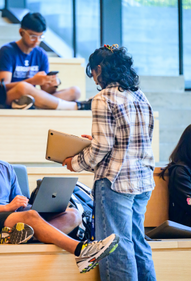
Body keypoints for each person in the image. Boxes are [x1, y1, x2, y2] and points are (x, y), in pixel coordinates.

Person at [0, 109, 119, 274]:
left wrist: (37, 207)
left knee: (73, 214)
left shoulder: (5, 167)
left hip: (11, 221)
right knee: (30, 217)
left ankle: (19, 237)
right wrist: (7, 208)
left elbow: (20, 205)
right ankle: (81, 250)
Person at [63, 45, 157, 281]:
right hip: (143, 181)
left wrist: (74, 162)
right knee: (137, 242)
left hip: (115, 183)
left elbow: (102, 148)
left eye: (93, 72)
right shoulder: (139, 95)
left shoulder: (102, 98)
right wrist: (96, 142)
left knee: (116, 247)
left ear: (99, 69)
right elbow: (135, 139)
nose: (93, 78)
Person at [0, 12, 91, 110]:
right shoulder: (7, 51)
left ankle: (35, 104)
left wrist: (52, 83)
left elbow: (46, 91)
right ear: (21, 32)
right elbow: (3, 87)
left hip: (32, 96)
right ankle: (73, 106)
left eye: (40, 37)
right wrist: (32, 81)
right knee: (23, 87)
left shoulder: (41, 54)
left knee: (75, 91)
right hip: (9, 96)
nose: (37, 41)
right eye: (33, 36)